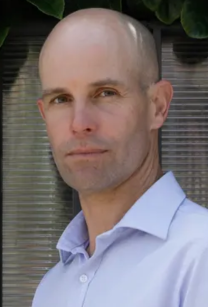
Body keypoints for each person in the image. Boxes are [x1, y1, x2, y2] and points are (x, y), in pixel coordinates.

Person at [32, 7, 208, 307]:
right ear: (44, 114)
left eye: (106, 93)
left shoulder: (198, 257)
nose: (79, 123)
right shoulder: (51, 289)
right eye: (61, 99)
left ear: (157, 106)